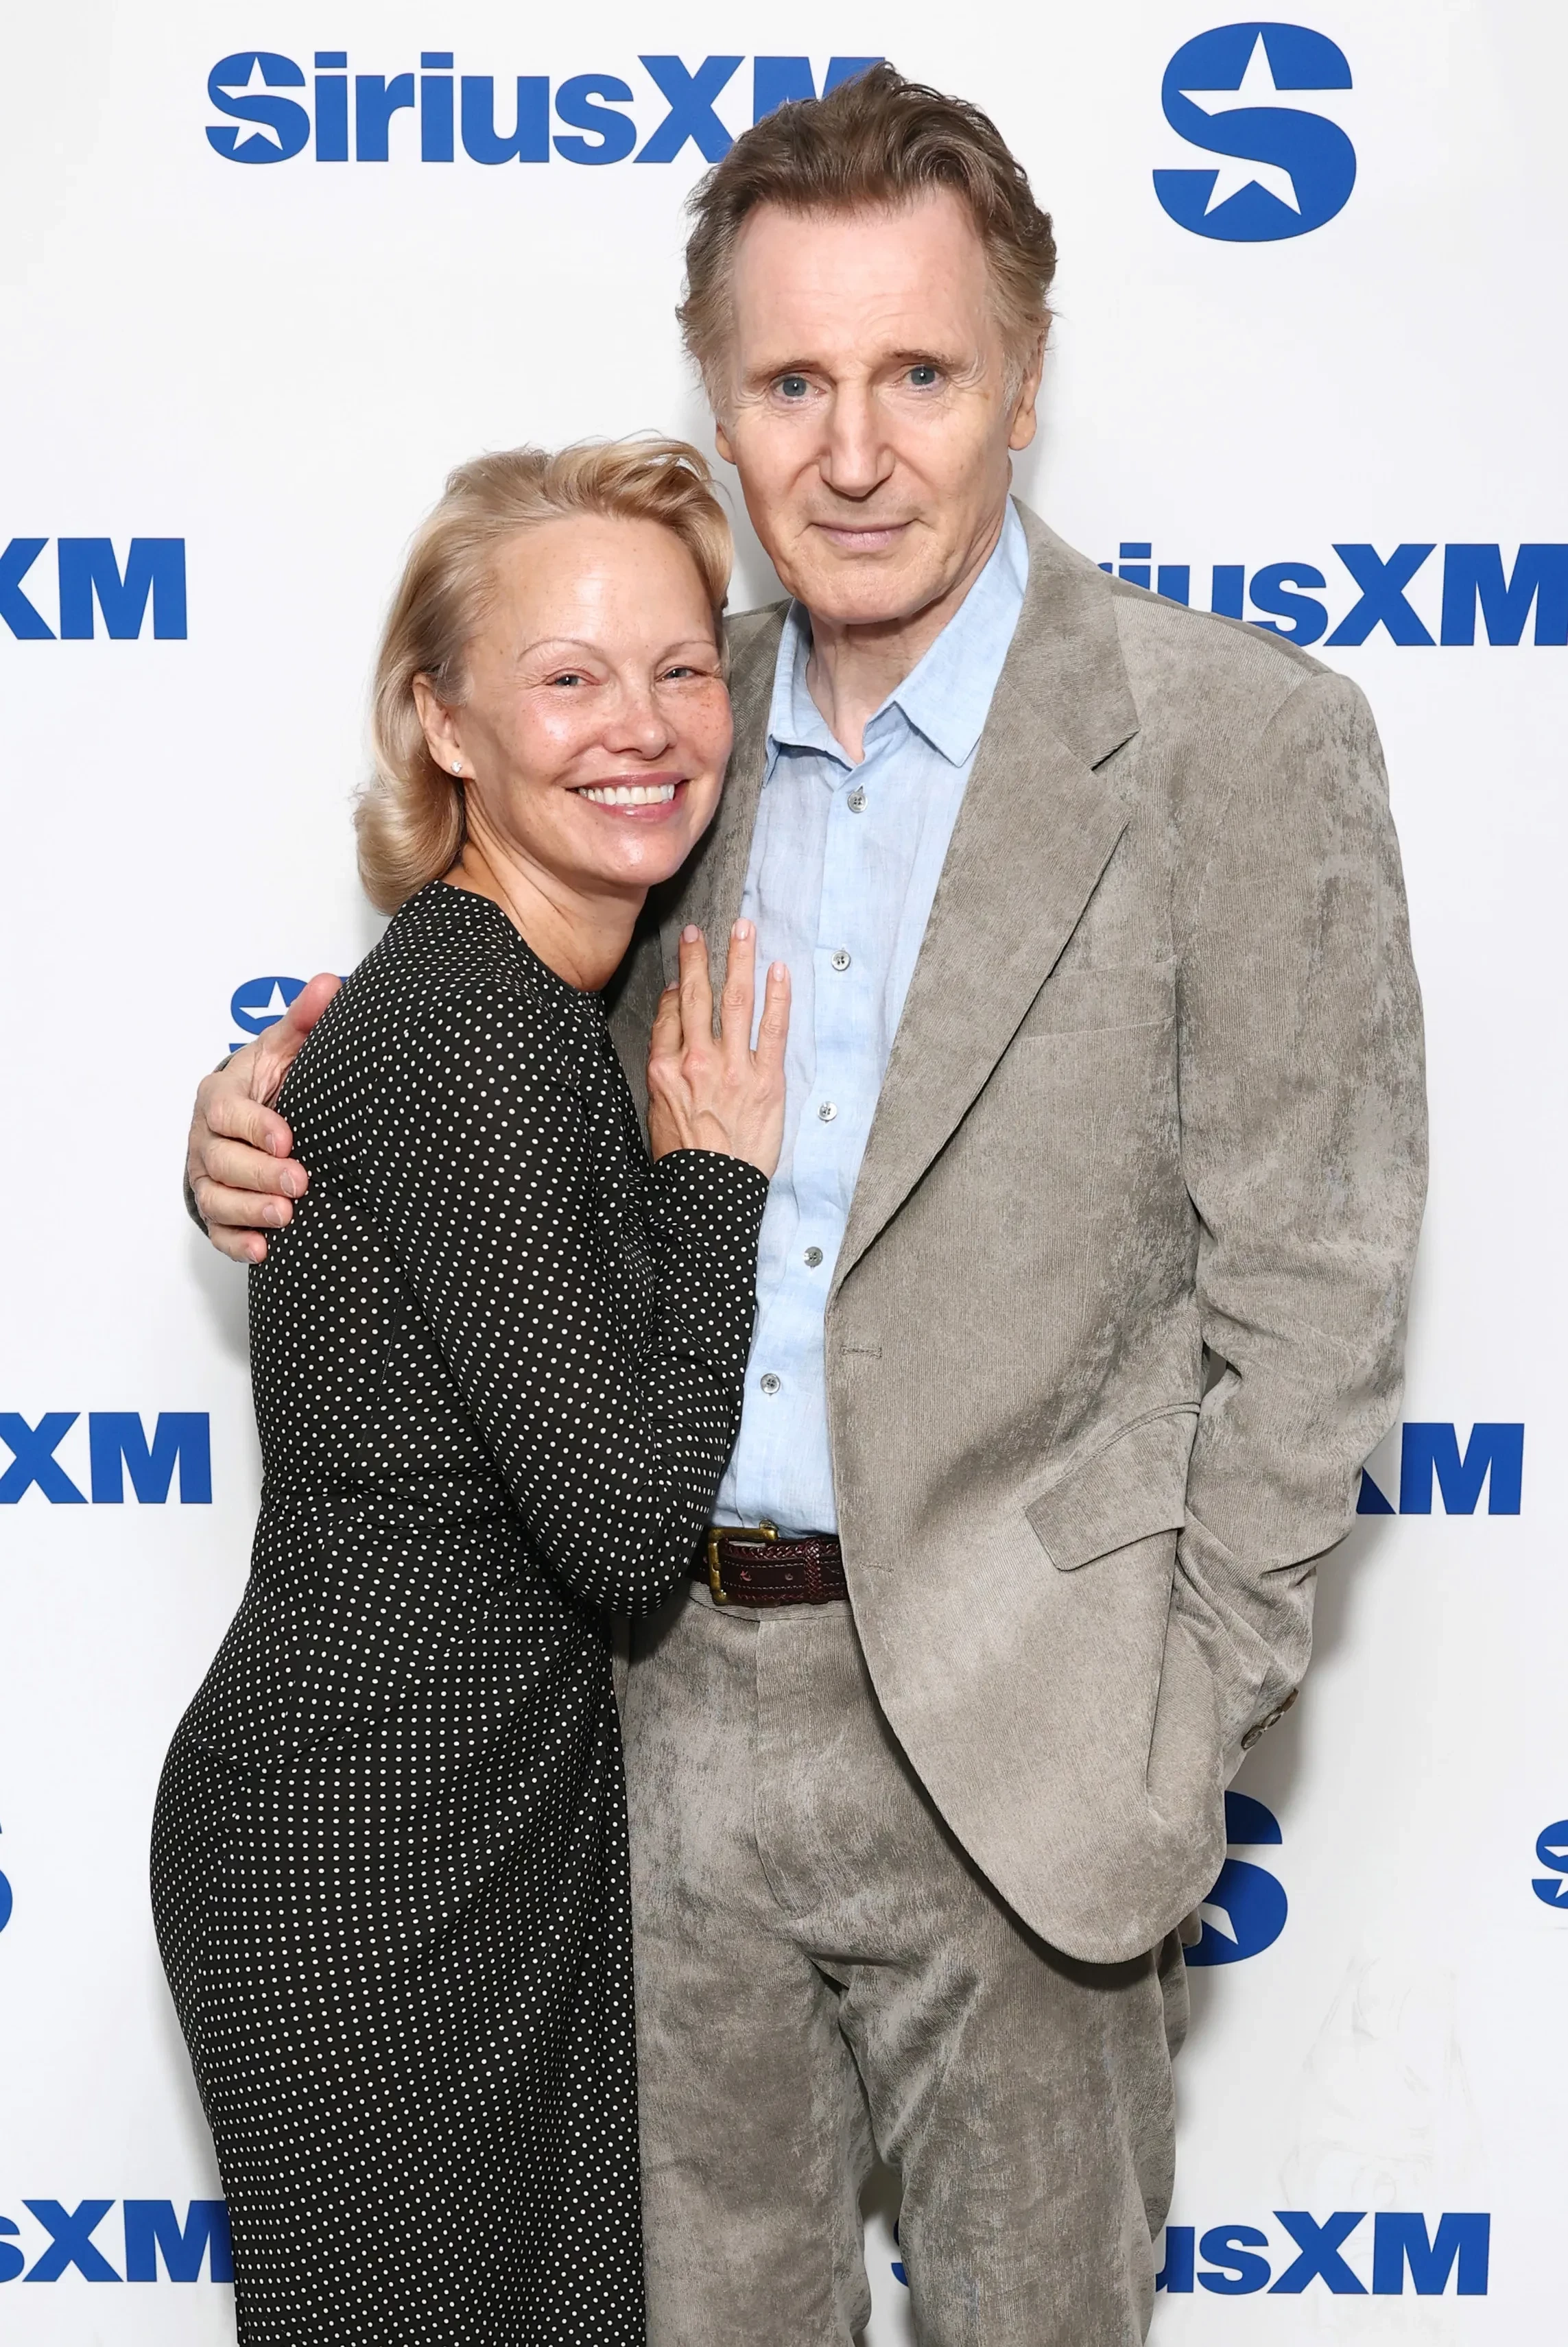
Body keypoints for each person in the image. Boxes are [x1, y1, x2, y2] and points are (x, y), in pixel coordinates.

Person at [182, 67, 1427, 2347]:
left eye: (917, 374)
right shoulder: (667, 719)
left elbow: (1318, 1287)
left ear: (1021, 387)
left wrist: (1170, 1731)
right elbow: (468, 1038)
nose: (852, 451)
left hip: (1028, 1753)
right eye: (790, 384)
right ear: (721, 403)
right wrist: (260, 1106)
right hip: (646, 1745)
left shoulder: (1237, 738)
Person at [155, 438, 789, 2346]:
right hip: (367, 1864)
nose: (641, 725)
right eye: (568, 675)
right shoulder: (472, 1031)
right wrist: (714, 1183)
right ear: (441, 722)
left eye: (680, 669)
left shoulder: (521, 1009)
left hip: (481, 1840)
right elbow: (627, 1527)